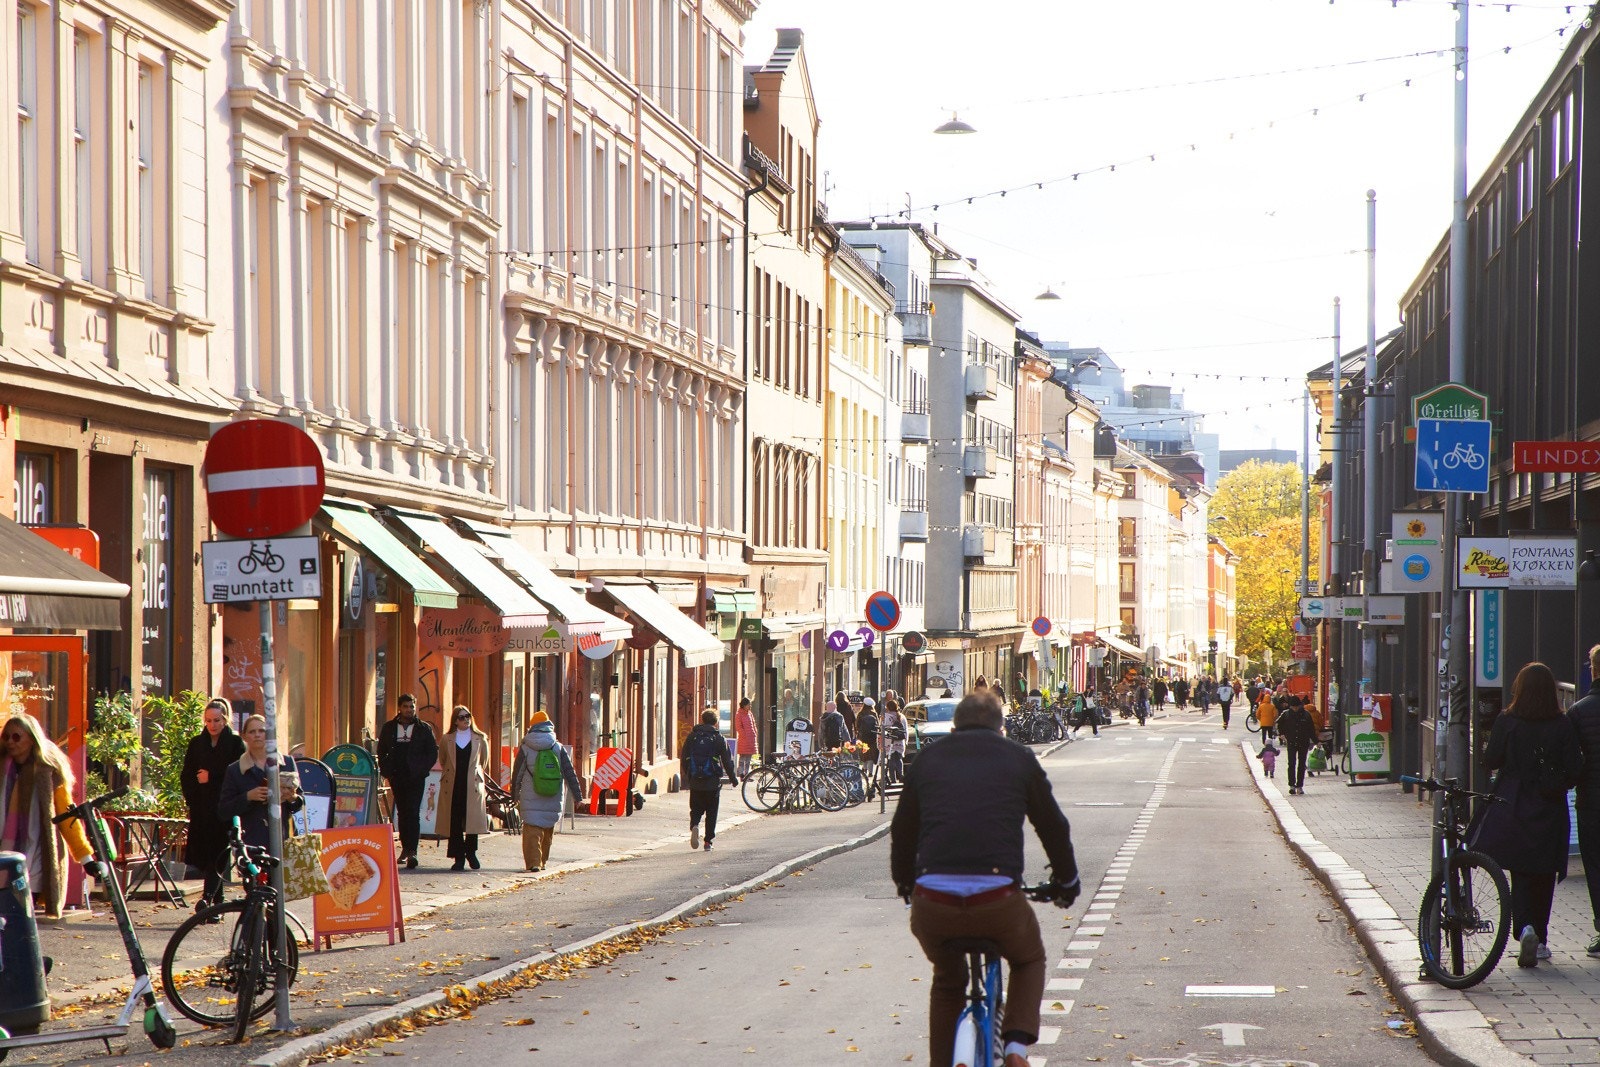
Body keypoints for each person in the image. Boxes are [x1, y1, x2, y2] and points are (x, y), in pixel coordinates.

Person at [890, 692, 1079, 1067]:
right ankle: (1015, 1048)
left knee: (948, 980)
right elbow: (1052, 826)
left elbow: (903, 830)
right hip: (998, 901)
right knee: (1028, 960)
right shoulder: (1019, 758)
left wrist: (906, 885)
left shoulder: (927, 759)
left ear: (955, 726)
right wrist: (1067, 881)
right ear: (1001, 727)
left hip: (934, 903)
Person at [1482, 663, 1583, 967]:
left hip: (1514, 803)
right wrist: (1557, 782)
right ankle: (1540, 936)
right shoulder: (1561, 724)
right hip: (1549, 806)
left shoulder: (1507, 721)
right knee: (1544, 873)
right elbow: (1575, 768)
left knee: (1520, 872)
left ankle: (1524, 928)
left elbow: (1491, 758)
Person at [0, 714, 96, 919]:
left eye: (16, 737)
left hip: (35, 855)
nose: (10, 742)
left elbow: (66, 816)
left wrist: (86, 859)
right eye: (6, 736)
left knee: (21, 918)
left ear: (32, 738)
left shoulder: (48, 772)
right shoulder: (1, 768)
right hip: (2, 853)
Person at [181, 698, 246, 908]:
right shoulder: (196, 743)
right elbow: (186, 775)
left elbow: (238, 774)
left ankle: (207, 898)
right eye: (208, 720)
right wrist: (193, 799)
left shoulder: (236, 744)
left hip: (225, 807)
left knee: (218, 852)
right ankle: (217, 902)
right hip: (202, 808)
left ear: (225, 719)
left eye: (217, 720)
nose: (212, 725)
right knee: (207, 855)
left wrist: (213, 776)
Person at [510, 711, 583, 873]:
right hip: (553, 793)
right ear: (548, 726)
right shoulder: (557, 747)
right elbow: (569, 772)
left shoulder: (526, 747)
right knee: (547, 828)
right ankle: (542, 861)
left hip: (530, 794)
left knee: (532, 830)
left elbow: (518, 774)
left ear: (532, 727)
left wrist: (514, 795)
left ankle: (533, 862)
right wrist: (577, 796)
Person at [218, 715, 303, 851]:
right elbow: (224, 811)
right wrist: (247, 797)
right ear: (244, 736)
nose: (257, 735)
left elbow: (300, 802)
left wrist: (291, 797)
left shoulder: (287, 762)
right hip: (251, 844)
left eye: (262, 731)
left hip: (284, 841)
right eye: (252, 732)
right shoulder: (234, 770)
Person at [377, 693, 439, 870]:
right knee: (402, 812)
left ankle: (413, 851)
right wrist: (387, 770)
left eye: (412, 707)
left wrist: (422, 770)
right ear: (399, 708)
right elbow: (382, 751)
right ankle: (405, 849)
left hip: (416, 776)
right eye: (406, 707)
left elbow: (432, 752)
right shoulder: (389, 727)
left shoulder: (423, 728)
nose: (409, 710)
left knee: (413, 811)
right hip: (397, 775)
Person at [1566, 643, 1600, 957]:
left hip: (1592, 801)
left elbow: (1571, 760)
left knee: (1595, 864)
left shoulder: (1578, 711)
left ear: (1594, 669)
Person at [437, 706, 491, 871]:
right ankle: (458, 857)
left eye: (468, 716)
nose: (466, 720)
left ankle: (471, 852)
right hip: (453, 784)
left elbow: (484, 762)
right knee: (455, 821)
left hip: (472, 784)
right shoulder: (447, 739)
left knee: (472, 820)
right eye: (461, 717)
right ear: (455, 721)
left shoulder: (480, 738)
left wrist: (476, 777)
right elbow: (443, 760)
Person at [680, 710, 740, 851]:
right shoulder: (718, 738)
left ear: (702, 720)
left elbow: (684, 758)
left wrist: (689, 776)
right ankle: (708, 842)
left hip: (695, 780)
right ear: (715, 722)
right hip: (712, 781)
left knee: (695, 808)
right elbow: (727, 761)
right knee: (711, 812)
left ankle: (695, 825)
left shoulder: (692, 736)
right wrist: (733, 778)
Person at [1276, 697, 1315, 795]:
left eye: (1296, 707)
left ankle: (1299, 786)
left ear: (1299, 706)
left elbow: (1311, 729)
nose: (1295, 709)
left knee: (1302, 765)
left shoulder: (1306, 714)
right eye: (1293, 707)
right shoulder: (1286, 714)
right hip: (1291, 742)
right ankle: (1292, 785)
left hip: (1303, 742)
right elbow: (1278, 724)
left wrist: (1316, 741)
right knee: (1291, 764)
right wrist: (1281, 734)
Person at [881, 699, 909, 785]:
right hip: (900, 741)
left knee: (891, 760)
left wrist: (880, 742)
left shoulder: (885, 717)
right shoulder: (901, 716)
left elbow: (882, 729)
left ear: (888, 707)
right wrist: (906, 740)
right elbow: (905, 730)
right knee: (899, 759)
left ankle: (892, 778)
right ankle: (901, 776)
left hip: (889, 741)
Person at [733, 696, 758, 781]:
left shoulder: (749, 713)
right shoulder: (739, 714)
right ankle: (741, 774)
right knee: (743, 757)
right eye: (748, 705)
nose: (750, 706)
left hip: (751, 738)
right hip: (744, 739)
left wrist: (754, 733)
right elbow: (738, 727)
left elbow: (753, 724)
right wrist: (745, 735)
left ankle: (747, 775)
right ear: (743, 705)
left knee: (748, 758)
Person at [856, 698, 881, 777]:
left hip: (862, 737)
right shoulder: (874, 713)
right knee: (871, 754)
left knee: (864, 753)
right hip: (872, 737)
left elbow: (857, 725)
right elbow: (878, 725)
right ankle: (870, 772)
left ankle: (864, 769)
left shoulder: (861, 713)